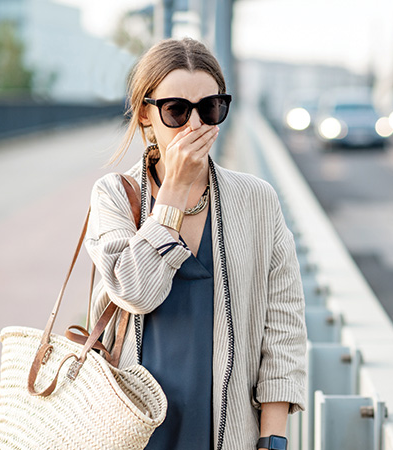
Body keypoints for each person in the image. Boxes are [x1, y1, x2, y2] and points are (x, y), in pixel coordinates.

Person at [84, 37, 307, 450]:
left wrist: (272, 438)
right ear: (146, 116)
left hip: (226, 430)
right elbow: (136, 291)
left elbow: (283, 326)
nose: (195, 126)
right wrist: (173, 191)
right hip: (131, 426)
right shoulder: (114, 195)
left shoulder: (257, 200)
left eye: (209, 108)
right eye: (176, 111)